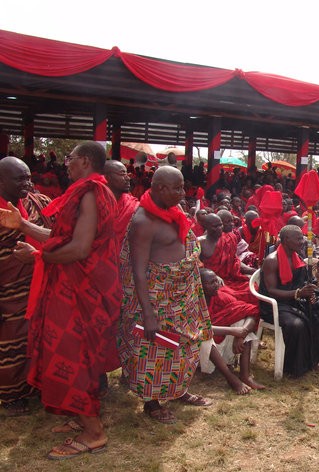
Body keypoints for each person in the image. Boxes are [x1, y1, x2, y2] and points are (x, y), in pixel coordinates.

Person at [0, 142, 120, 459]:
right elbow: (61, 237)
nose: (65, 164)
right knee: (76, 357)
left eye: (69, 159)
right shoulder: (83, 191)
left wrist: (38, 257)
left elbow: (79, 249)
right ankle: (80, 417)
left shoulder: (92, 192)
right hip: (73, 287)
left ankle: (93, 433)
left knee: (68, 357)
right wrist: (23, 225)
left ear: (84, 161)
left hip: (83, 289)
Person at [118, 166, 212, 426]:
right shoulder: (143, 221)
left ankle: (178, 390)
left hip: (181, 294)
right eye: (178, 188)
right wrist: (147, 313)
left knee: (183, 346)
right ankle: (152, 402)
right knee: (155, 350)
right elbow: (137, 269)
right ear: (160, 188)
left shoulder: (173, 211)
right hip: (158, 297)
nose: (183, 193)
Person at [0, 157, 52, 416]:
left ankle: (36, 387)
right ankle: (11, 396)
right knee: (11, 344)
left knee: (39, 339)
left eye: (28, 177)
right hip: (9, 293)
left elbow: (59, 231)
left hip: (42, 285)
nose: (27, 183)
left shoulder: (38, 202)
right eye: (19, 178)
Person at [259, 225, 319, 377]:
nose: (302, 241)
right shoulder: (271, 261)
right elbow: (271, 291)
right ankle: (293, 367)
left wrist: (310, 293)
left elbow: (305, 282)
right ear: (286, 240)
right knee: (298, 325)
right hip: (275, 305)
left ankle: (313, 359)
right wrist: (298, 293)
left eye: (302, 237)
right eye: (298, 238)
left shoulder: (299, 258)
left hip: (296, 301)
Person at [199, 268, 264, 393]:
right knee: (204, 336)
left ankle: (245, 375)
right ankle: (231, 379)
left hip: (223, 348)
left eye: (216, 281)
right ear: (199, 286)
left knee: (242, 324)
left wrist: (241, 333)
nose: (216, 285)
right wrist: (233, 332)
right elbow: (198, 328)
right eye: (211, 282)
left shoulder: (220, 296)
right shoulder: (192, 303)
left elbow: (250, 312)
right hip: (202, 354)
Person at [197, 210, 257, 304]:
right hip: (213, 283)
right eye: (215, 226)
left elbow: (234, 260)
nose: (231, 224)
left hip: (230, 279)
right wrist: (214, 276)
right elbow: (196, 267)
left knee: (254, 287)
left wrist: (252, 270)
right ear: (206, 227)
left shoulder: (231, 237)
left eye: (221, 225)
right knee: (230, 299)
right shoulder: (200, 242)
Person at [103, 160, 139, 247]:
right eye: (122, 174)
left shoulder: (134, 206)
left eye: (127, 174)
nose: (128, 178)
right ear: (106, 177)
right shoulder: (92, 204)